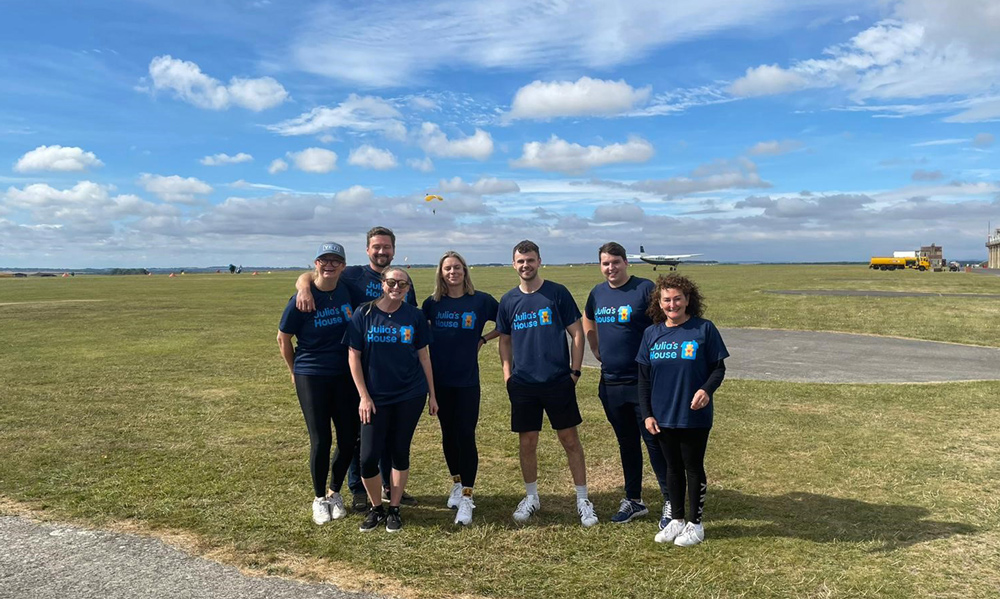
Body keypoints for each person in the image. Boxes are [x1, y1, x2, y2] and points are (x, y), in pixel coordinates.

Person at [295, 226, 418, 512]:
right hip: (357, 369)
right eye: (377, 246)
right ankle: (358, 488)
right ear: (367, 250)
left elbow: (411, 318)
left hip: (391, 370)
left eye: (387, 247)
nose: (382, 251)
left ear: (393, 250)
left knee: (390, 431)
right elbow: (314, 277)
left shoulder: (401, 280)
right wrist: (302, 286)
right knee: (360, 432)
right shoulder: (353, 275)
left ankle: (390, 486)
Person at [496, 240, 597, 527]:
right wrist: (507, 375)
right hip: (523, 384)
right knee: (527, 443)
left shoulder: (556, 293)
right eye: (520, 261)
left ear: (539, 261)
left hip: (557, 380)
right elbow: (505, 340)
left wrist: (574, 372)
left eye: (530, 260)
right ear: (513, 264)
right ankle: (532, 497)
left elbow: (577, 334)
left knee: (570, 440)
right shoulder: (509, 300)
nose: (525, 265)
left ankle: (582, 499)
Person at [582, 242, 671, 527]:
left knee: (655, 442)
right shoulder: (597, 293)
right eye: (606, 263)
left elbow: (664, 324)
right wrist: (594, 346)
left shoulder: (643, 289)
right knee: (626, 443)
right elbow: (588, 318)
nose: (611, 268)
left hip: (643, 383)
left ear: (626, 262)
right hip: (610, 383)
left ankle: (671, 501)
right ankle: (634, 500)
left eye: (616, 262)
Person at [277, 242, 366, 525]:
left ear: (343, 265)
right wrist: (294, 370)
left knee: (348, 437)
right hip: (311, 374)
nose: (329, 265)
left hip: (344, 375)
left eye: (335, 261)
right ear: (315, 263)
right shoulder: (301, 298)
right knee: (321, 439)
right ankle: (318, 499)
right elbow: (283, 338)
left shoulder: (347, 290)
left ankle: (334, 492)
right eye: (324, 260)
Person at [637, 273, 728, 547]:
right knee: (671, 468)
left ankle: (695, 524)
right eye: (666, 299)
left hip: (692, 414)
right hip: (662, 415)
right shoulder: (651, 333)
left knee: (692, 467)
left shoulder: (704, 329)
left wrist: (706, 390)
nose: (672, 304)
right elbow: (643, 378)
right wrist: (647, 414)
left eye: (678, 298)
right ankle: (676, 519)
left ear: (688, 300)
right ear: (659, 302)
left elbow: (718, 368)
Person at [345, 266, 437, 533]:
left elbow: (424, 356)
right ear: (382, 284)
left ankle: (394, 508)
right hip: (374, 397)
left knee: (400, 451)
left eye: (403, 284)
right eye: (392, 283)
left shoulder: (415, 316)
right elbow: (354, 356)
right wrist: (363, 396)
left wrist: (433, 393)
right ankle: (376, 508)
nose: (397, 288)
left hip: (410, 394)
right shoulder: (364, 313)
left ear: (408, 289)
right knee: (368, 457)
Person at [421, 251, 500, 525]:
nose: (452, 272)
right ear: (441, 274)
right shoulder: (432, 304)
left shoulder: (480, 301)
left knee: (466, 434)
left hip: (467, 381)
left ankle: (467, 496)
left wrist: (484, 339)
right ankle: (456, 482)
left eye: (457, 267)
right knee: (448, 434)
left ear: (465, 271)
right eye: (447, 268)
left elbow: (507, 320)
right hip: (440, 381)